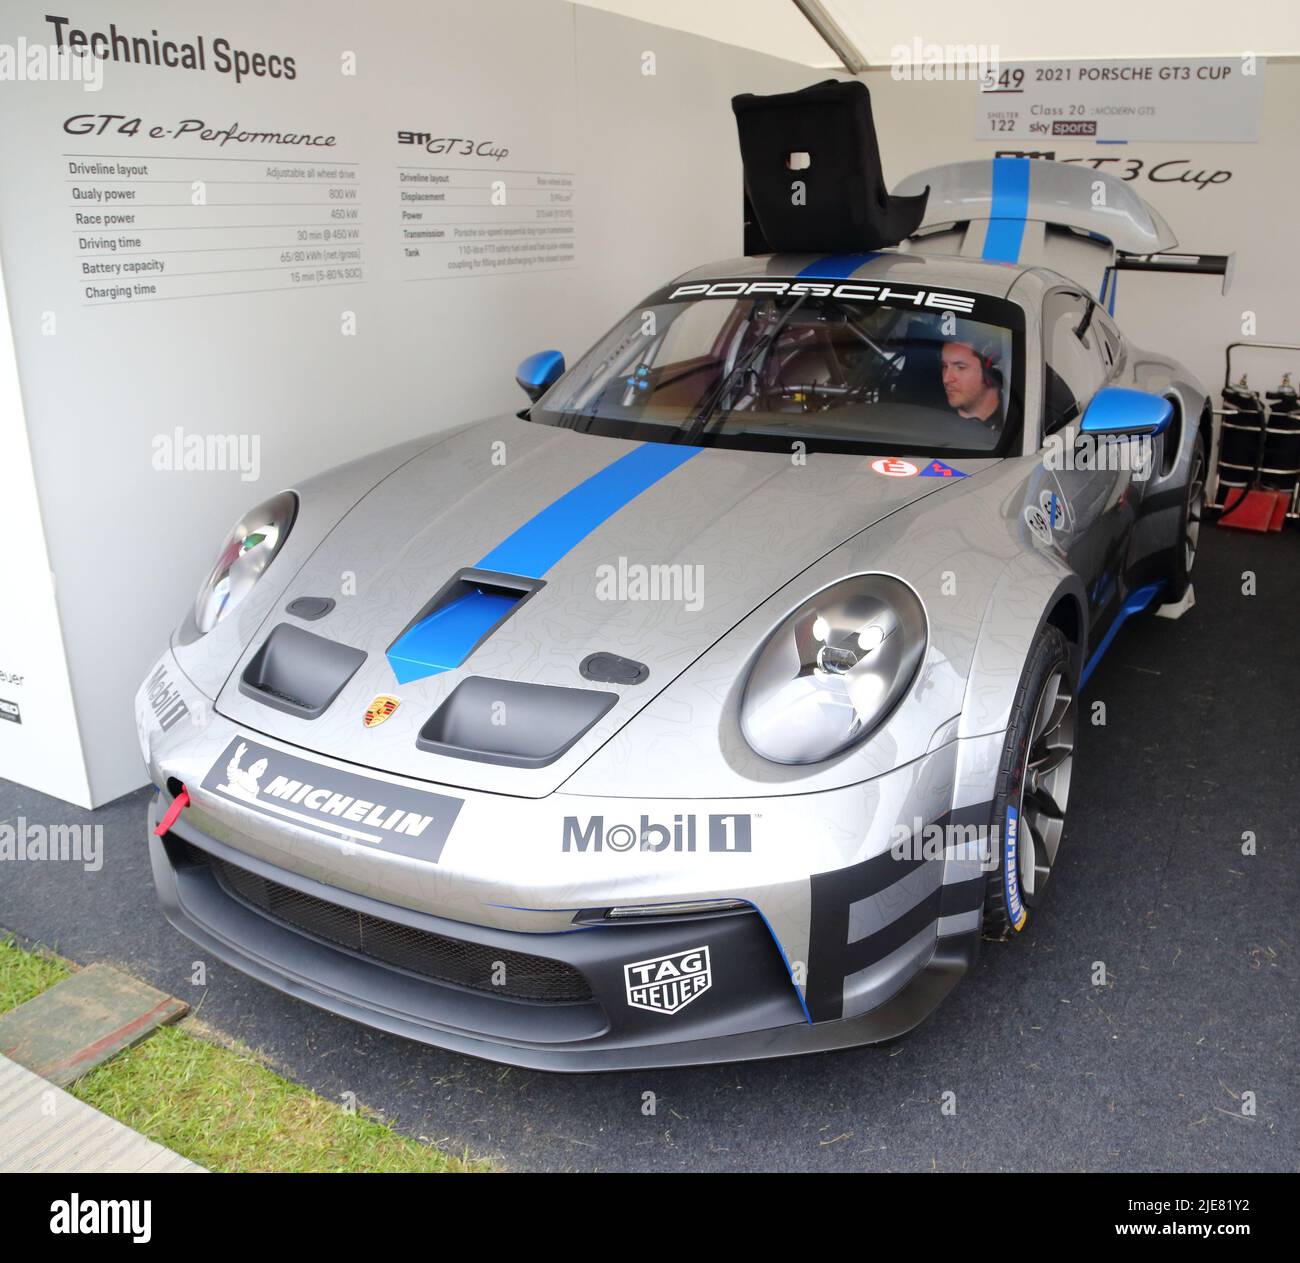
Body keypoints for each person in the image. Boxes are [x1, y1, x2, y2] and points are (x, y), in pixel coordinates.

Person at [940, 333, 1005, 432]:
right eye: (945, 366)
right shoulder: (931, 417)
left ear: (989, 372)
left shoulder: (1018, 421)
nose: (946, 379)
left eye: (960, 367)